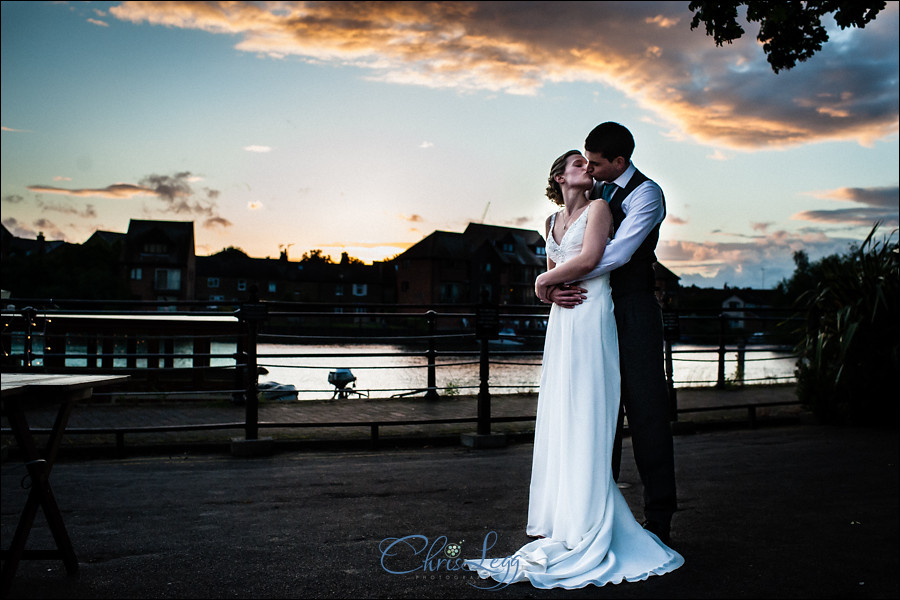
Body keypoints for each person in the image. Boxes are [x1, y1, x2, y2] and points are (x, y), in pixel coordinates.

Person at [464, 150, 683, 589]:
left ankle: (615, 519)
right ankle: (568, 516)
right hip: (564, 319)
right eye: (578, 162)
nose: (587, 166)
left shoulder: (605, 206)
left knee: (598, 410)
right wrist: (547, 289)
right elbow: (553, 267)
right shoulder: (548, 223)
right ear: (559, 176)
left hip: (594, 311)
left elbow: (598, 258)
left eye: (592, 161)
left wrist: (545, 283)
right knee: (564, 413)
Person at [550, 121, 677, 543]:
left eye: (597, 162)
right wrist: (564, 282)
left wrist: (567, 278)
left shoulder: (647, 194)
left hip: (634, 308)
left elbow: (618, 253)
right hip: (592, 309)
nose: (589, 166)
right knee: (597, 410)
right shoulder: (594, 194)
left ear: (619, 162)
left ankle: (659, 519)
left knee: (647, 413)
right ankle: (599, 515)